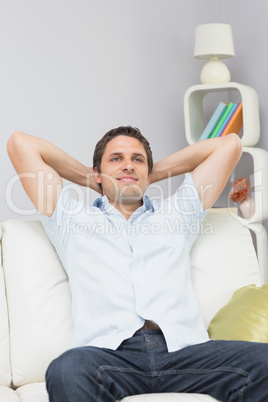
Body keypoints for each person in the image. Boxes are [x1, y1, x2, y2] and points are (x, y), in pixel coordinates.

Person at [7, 126, 268, 402]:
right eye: (116, 159)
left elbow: (229, 145)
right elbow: (20, 143)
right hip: (112, 359)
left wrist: (145, 174)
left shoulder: (178, 213)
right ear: (98, 171)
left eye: (137, 159)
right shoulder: (71, 220)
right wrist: (90, 177)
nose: (128, 165)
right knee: (67, 369)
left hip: (184, 353)